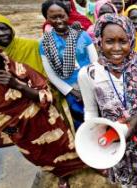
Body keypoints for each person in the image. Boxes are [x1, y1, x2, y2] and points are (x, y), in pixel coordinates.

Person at [0, 40, 85, 188]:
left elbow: (48, 95)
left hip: (46, 121)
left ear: (0, 56)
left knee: (67, 146)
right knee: (40, 157)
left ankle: (88, 164)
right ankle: (62, 175)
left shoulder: (20, 70)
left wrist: (17, 85)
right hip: (21, 133)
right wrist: (14, 131)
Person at [78, 14, 137, 186]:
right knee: (127, 181)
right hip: (115, 139)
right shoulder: (88, 74)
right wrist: (96, 134)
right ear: (99, 41)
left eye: (122, 41)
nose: (116, 48)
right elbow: (91, 111)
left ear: (130, 40)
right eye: (109, 41)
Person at [40, 0, 98, 129]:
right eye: (53, 17)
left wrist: (91, 86)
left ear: (68, 15)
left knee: (99, 115)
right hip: (70, 90)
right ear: (47, 19)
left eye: (62, 16)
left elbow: (95, 63)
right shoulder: (44, 43)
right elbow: (51, 74)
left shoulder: (82, 35)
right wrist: (73, 92)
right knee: (80, 121)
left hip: (92, 83)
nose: (59, 21)